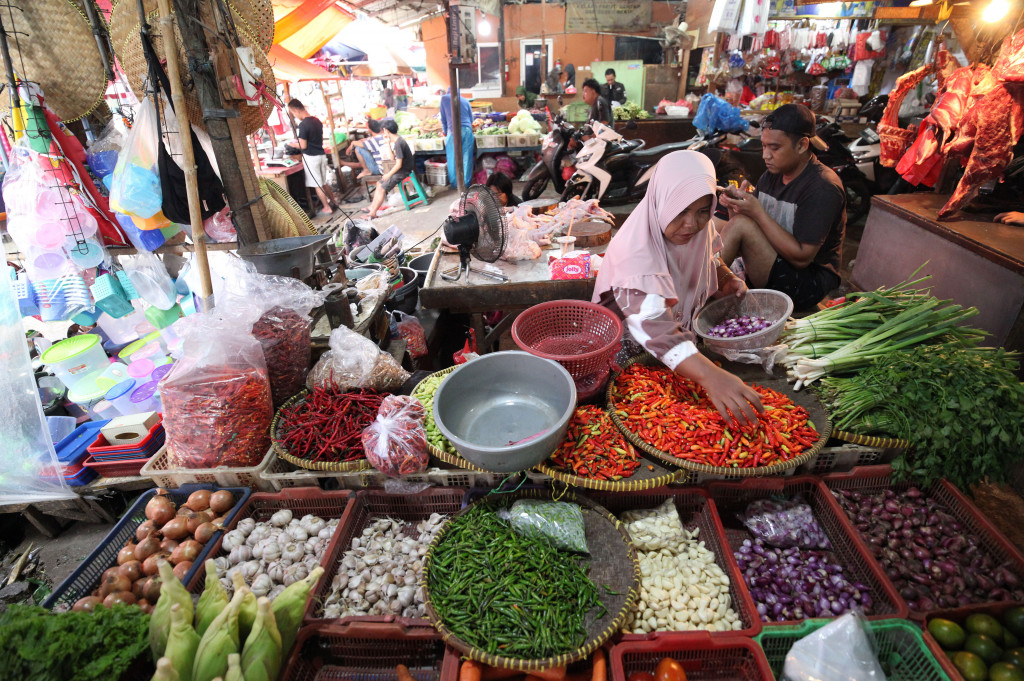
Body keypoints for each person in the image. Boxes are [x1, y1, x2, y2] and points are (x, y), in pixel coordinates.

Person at [593, 151, 764, 426]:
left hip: (674, 352)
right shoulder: (635, 252)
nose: (691, 224)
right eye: (681, 210)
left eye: (701, 211)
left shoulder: (699, 230)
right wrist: (711, 376)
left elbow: (711, 256)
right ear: (661, 200)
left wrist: (725, 277)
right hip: (627, 352)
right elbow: (654, 327)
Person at [717, 104, 845, 310]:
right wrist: (736, 206)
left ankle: (699, 293)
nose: (765, 155)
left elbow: (802, 258)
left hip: (807, 281)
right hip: (774, 262)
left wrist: (755, 213)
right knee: (719, 225)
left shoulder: (822, 187)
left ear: (802, 145)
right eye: (764, 146)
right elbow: (747, 227)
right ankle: (699, 286)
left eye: (774, 148)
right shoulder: (771, 176)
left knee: (740, 226)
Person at [285, 98, 338, 215]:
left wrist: (292, 144)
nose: (294, 116)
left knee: (317, 184)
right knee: (324, 182)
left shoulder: (303, 125)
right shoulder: (317, 121)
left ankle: (326, 207)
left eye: (293, 113)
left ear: (296, 110)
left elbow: (303, 145)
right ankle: (333, 202)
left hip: (311, 158)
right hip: (321, 155)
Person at [365, 120, 413, 219]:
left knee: (382, 188)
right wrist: (387, 144)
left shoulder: (399, 143)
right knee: (379, 183)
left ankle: (373, 213)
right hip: (401, 170)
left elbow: (398, 165)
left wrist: (388, 175)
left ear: (386, 131)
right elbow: (392, 158)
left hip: (403, 171)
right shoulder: (397, 141)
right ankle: (372, 208)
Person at [440, 88, 475, 188]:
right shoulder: (465, 100)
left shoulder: (444, 99)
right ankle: (466, 184)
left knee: (452, 158)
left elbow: (443, 119)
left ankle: (455, 184)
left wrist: (445, 131)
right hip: (467, 131)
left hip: (453, 131)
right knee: (466, 158)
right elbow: (471, 119)